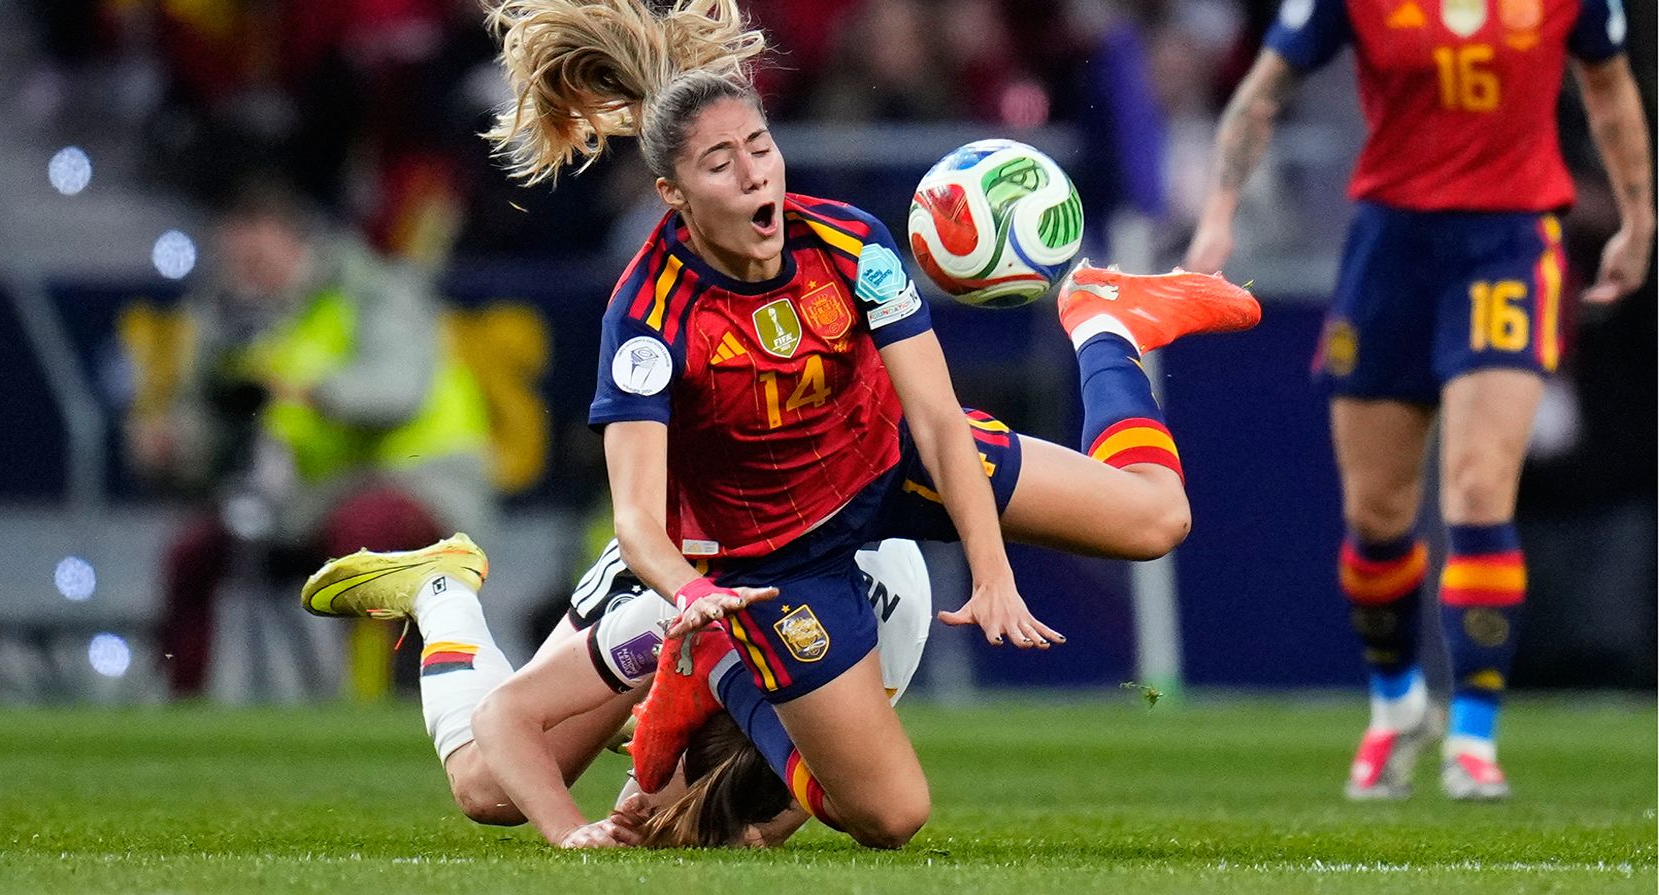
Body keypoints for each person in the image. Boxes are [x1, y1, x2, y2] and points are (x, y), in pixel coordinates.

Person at [471, 0, 1260, 849]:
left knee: (1157, 518)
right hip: (774, 556)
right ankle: (712, 669)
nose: (755, 176)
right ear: (673, 195)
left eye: (762, 149)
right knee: (886, 817)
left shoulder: (851, 243)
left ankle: (1105, 321)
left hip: (892, 463)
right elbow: (634, 516)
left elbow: (936, 416)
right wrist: (695, 596)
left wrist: (990, 571)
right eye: (721, 164)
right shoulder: (648, 316)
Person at [1184, 0, 1650, 800]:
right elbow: (1265, 89)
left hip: (1509, 243)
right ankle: (1397, 703)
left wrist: (1639, 216)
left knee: (1476, 487)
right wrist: (1218, 217)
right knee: (1377, 516)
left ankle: (1474, 734)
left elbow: (1609, 87)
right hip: (1391, 249)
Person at [300, 535, 935, 848]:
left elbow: (817, 796)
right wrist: (571, 832)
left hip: (845, 593)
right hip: (680, 555)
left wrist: (736, 831)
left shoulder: (857, 675)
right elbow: (505, 715)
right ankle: (441, 590)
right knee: (491, 791)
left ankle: (655, 752)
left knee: (691, 830)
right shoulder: (669, 621)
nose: (634, 794)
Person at [129, 177, 495, 698]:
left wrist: (315, 391)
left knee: (362, 537)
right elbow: (216, 428)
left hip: (423, 481)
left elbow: (399, 392)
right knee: (191, 553)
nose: (246, 275)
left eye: (257, 258)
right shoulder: (230, 318)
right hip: (309, 499)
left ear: (297, 242)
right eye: (236, 261)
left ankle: (375, 700)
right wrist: (173, 447)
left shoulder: (375, 290)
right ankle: (182, 706)